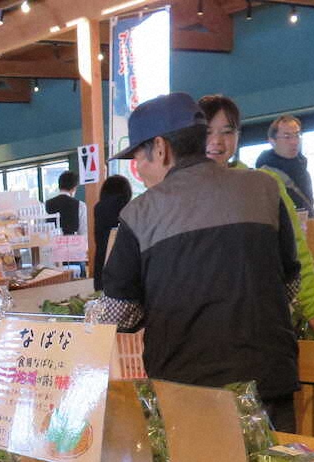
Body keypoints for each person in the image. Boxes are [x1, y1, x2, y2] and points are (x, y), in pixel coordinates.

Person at [102, 92, 301, 431]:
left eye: (138, 157)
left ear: (161, 148)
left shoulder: (140, 213)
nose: (139, 169)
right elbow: (290, 282)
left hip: (189, 387)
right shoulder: (264, 188)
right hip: (269, 379)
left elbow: (120, 314)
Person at [199, 94, 314, 343]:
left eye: (227, 132)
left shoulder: (264, 184)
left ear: (238, 135)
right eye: (207, 131)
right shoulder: (179, 190)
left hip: (252, 318)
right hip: (198, 324)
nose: (217, 141)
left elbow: (295, 248)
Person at [256, 114, 314, 216]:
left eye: (297, 135)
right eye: (287, 137)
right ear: (272, 141)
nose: (294, 142)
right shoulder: (264, 174)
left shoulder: (303, 170)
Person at [92, 174, 131, 290]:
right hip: (123, 260)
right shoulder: (128, 207)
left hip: (102, 258)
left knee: (102, 294)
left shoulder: (98, 207)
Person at [45, 170, 87, 236]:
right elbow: (83, 232)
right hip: (74, 241)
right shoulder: (80, 205)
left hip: (52, 241)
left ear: (59, 186)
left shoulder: (47, 204)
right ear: (74, 188)